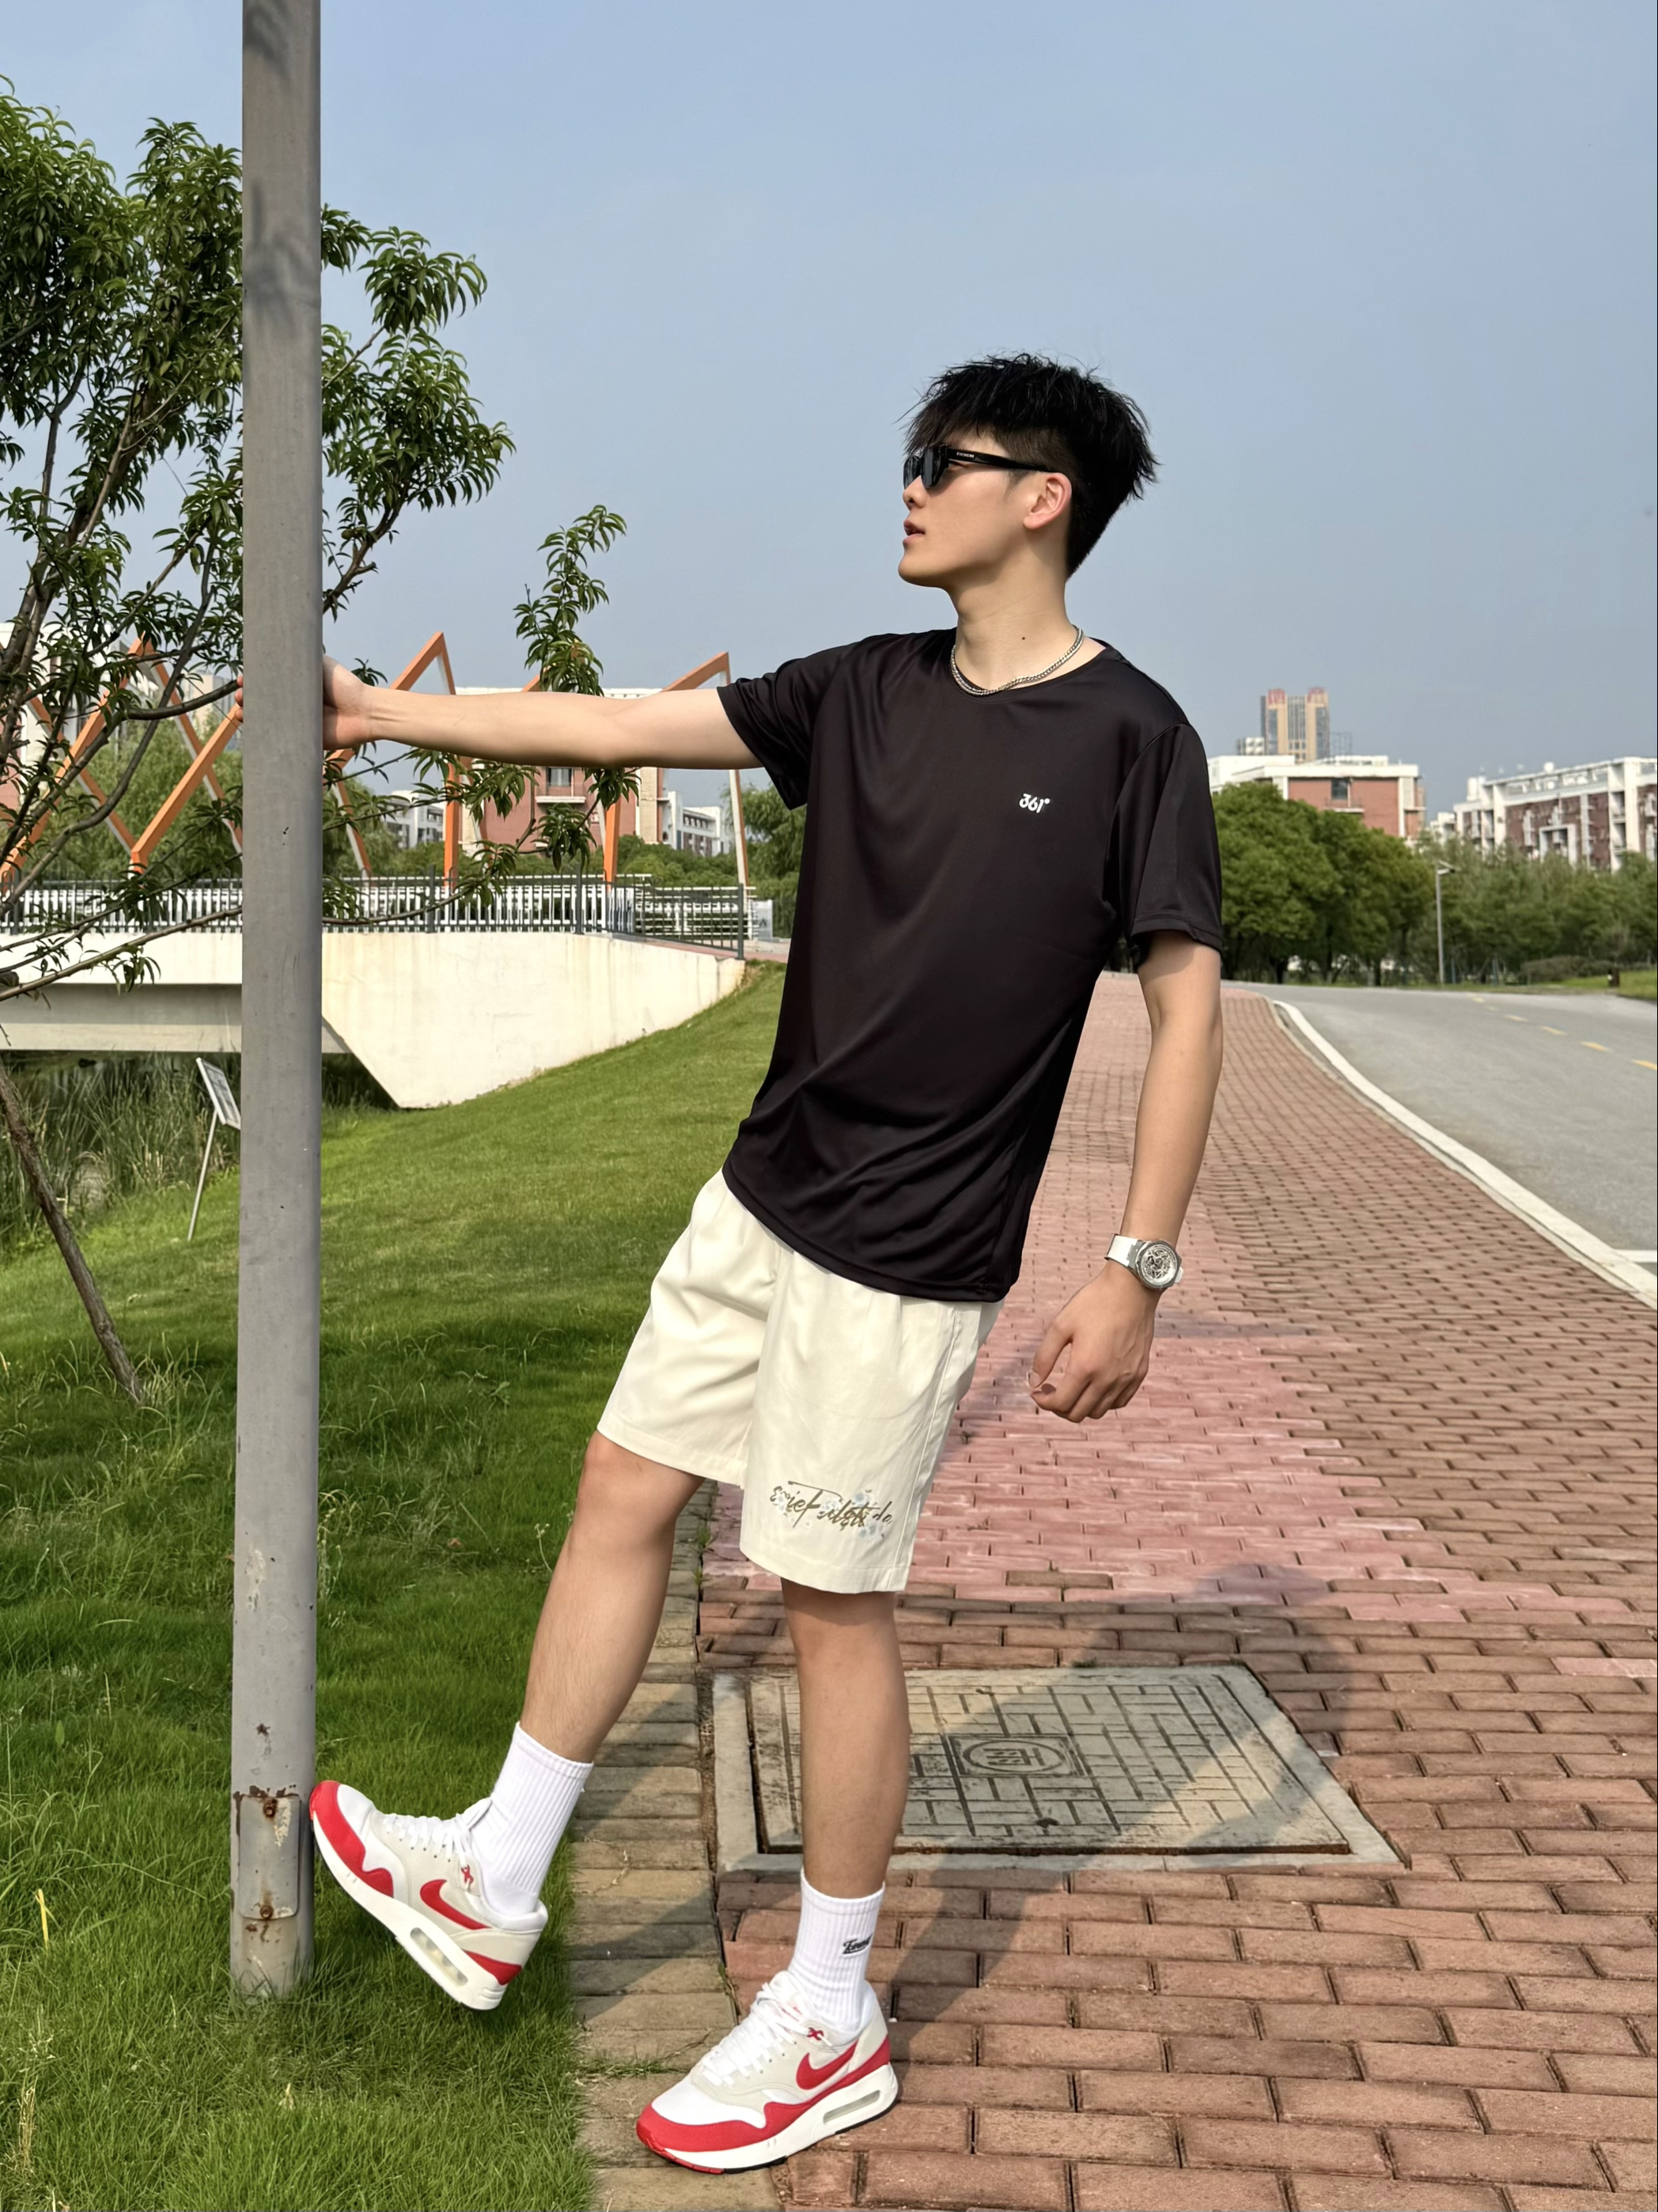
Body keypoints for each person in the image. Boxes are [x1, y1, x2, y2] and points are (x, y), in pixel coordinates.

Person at [308, 353, 1225, 2176]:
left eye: (941, 461)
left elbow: (1185, 1006)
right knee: (620, 1487)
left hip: (910, 1250)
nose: (909, 487)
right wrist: (381, 712)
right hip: (762, 1194)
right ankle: (493, 1876)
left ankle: (828, 2008)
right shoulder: (863, 690)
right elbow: (620, 730)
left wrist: (1135, 1265)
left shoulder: (1135, 738)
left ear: (1040, 498)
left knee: (825, 1597)